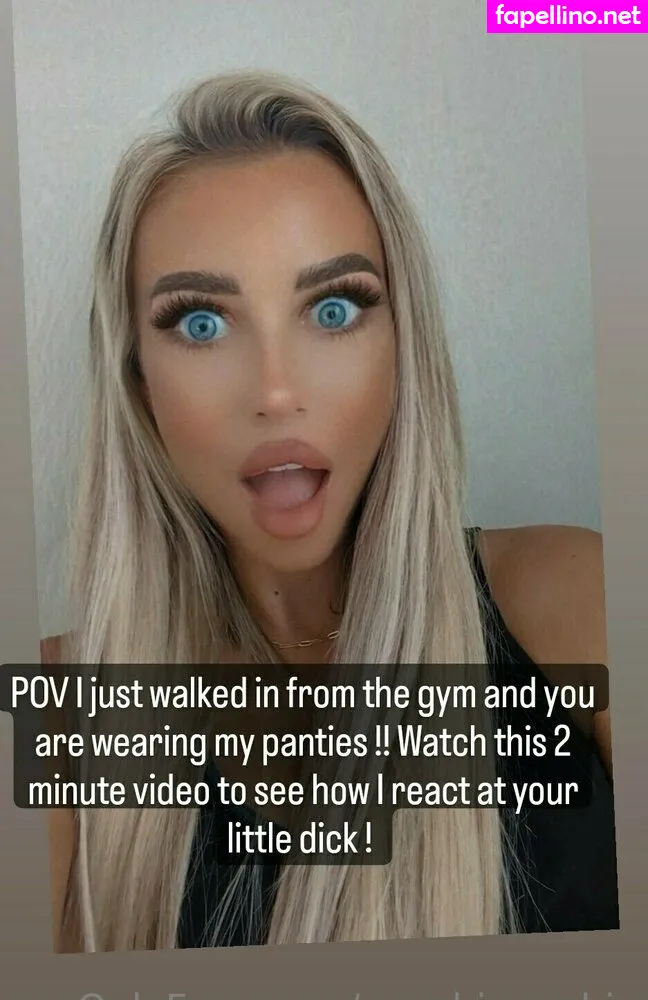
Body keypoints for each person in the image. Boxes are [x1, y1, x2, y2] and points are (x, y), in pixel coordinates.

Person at [41, 70, 617, 953]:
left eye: (334, 308)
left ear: (402, 344)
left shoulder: (576, 601)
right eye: (201, 324)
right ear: (137, 382)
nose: (276, 392)